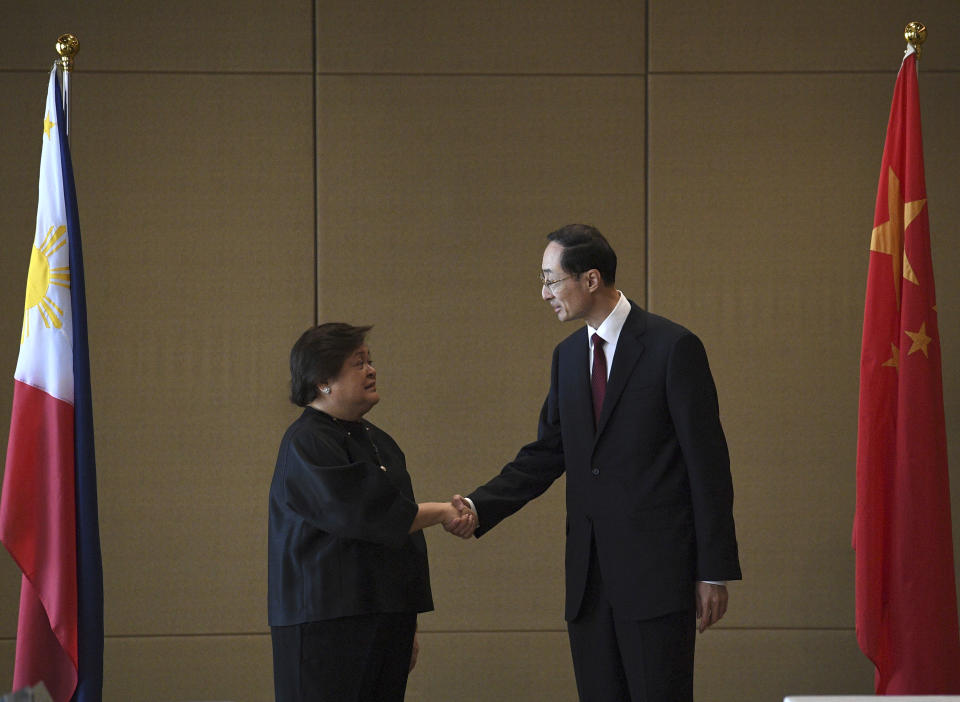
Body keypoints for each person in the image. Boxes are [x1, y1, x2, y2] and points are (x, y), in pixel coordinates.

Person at [453, 224, 741, 702]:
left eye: (551, 280)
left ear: (590, 279)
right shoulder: (567, 357)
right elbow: (548, 453)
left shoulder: (673, 347)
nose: (543, 293)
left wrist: (713, 571)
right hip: (588, 581)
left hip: (657, 577)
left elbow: (708, 465)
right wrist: (479, 506)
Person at [268, 323, 473, 702]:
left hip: (385, 617)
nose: (371, 370)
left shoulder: (379, 441)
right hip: (326, 625)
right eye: (357, 363)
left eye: (370, 360)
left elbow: (400, 539)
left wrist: (406, 620)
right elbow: (371, 516)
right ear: (322, 381)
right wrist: (444, 511)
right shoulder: (307, 442)